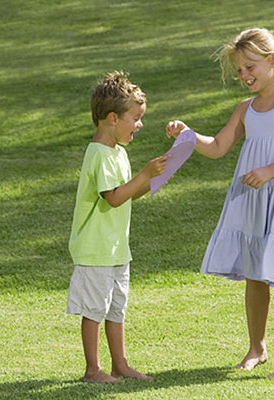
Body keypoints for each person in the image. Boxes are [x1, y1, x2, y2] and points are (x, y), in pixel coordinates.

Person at [166, 28, 274, 379]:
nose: (245, 76)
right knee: (254, 274)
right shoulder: (245, 108)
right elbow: (218, 147)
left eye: (250, 67)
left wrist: (269, 170)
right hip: (253, 197)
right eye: (239, 71)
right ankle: (257, 348)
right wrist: (188, 135)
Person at [67, 71, 168, 383]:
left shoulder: (118, 152)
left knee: (116, 308)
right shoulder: (97, 154)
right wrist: (144, 173)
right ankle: (92, 369)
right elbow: (112, 198)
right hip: (95, 249)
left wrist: (153, 179)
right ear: (112, 118)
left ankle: (120, 365)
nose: (139, 124)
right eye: (135, 118)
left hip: (115, 248)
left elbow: (126, 195)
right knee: (94, 310)